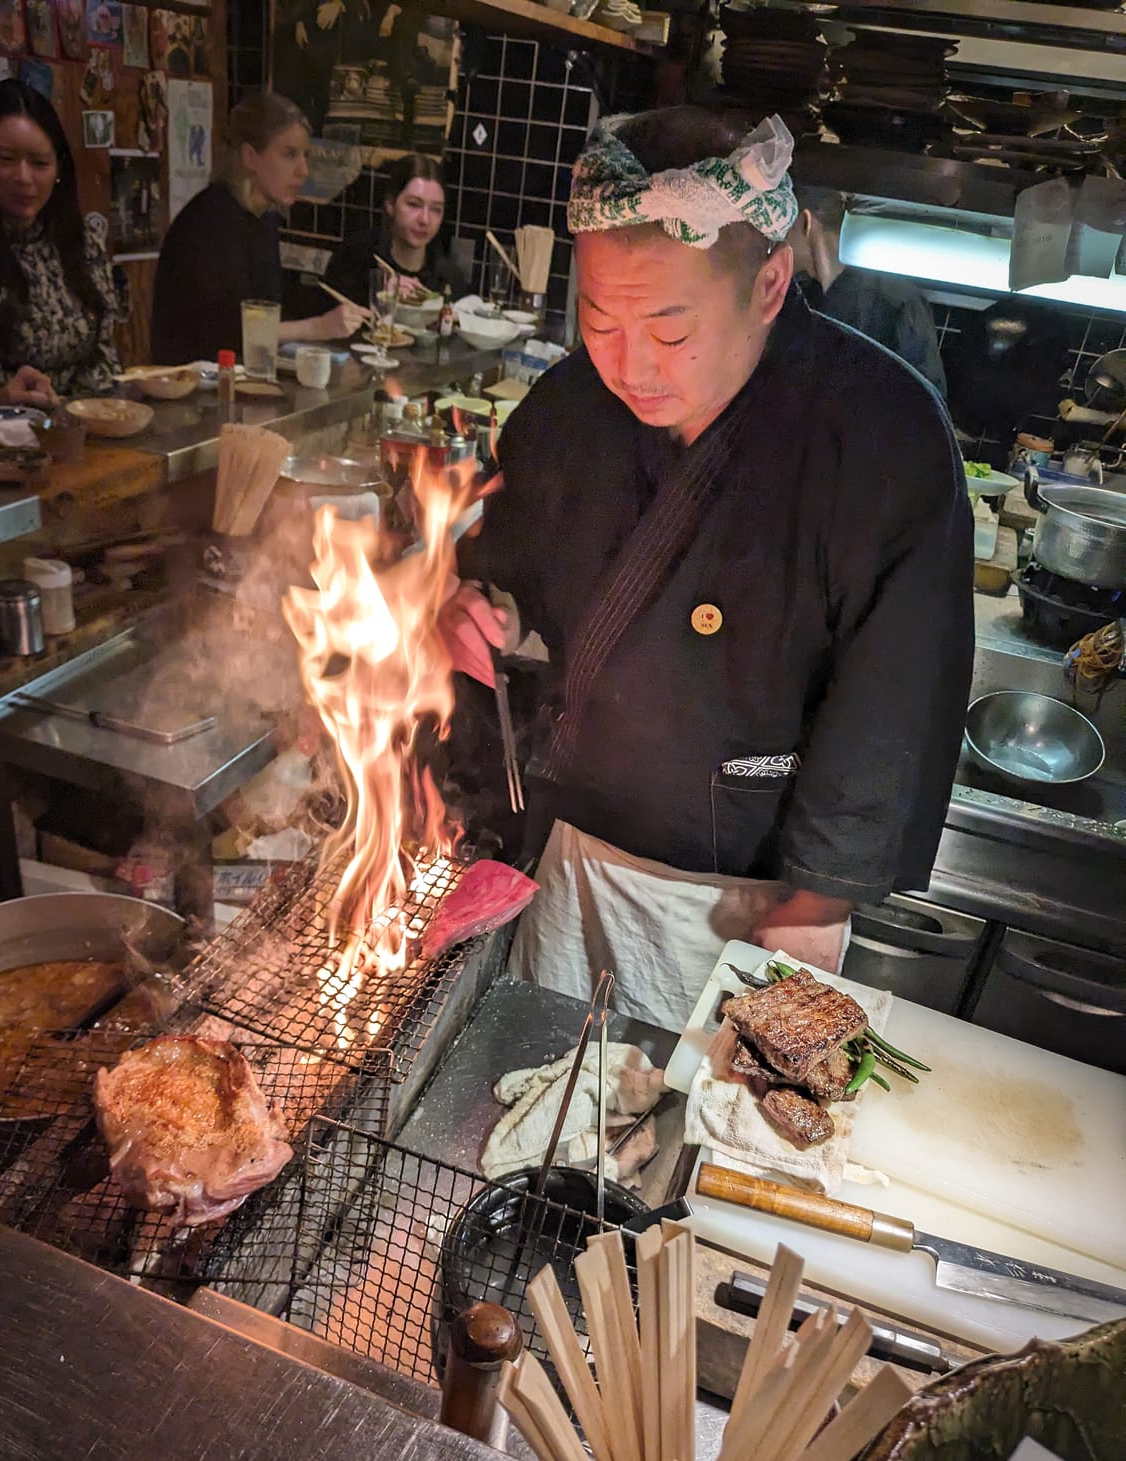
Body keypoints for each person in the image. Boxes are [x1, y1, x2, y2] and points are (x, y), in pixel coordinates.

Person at [439, 107, 973, 1030]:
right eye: (600, 319)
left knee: (693, 1149)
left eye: (671, 331)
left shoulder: (884, 435)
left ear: (770, 282)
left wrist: (817, 909)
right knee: (536, 1116)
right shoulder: (570, 405)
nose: (630, 365)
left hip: (751, 898)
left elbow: (898, 702)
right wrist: (478, 607)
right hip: (569, 857)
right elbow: (509, 575)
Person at [0, 80, 118, 396]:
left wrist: (88, 417)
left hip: (83, 428)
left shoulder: (83, 240)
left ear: (59, 169)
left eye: (40, 163)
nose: (24, 178)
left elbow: (105, 358)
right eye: (6, 159)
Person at [151, 92, 364, 365]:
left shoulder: (265, 218)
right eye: (289, 154)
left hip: (239, 378)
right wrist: (317, 327)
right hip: (190, 387)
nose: (304, 171)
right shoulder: (209, 219)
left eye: (305, 155)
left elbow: (267, 313)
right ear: (250, 156)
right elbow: (227, 332)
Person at [789, 189, 947, 396]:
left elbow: (928, 406)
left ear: (804, 223)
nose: (772, 243)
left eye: (779, 229)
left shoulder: (896, 301)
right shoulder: (800, 300)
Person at [296, 152, 468, 314]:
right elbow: (326, 327)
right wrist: (380, 298)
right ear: (390, 205)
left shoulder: (448, 278)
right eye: (414, 204)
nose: (425, 219)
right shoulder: (356, 257)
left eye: (436, 209)